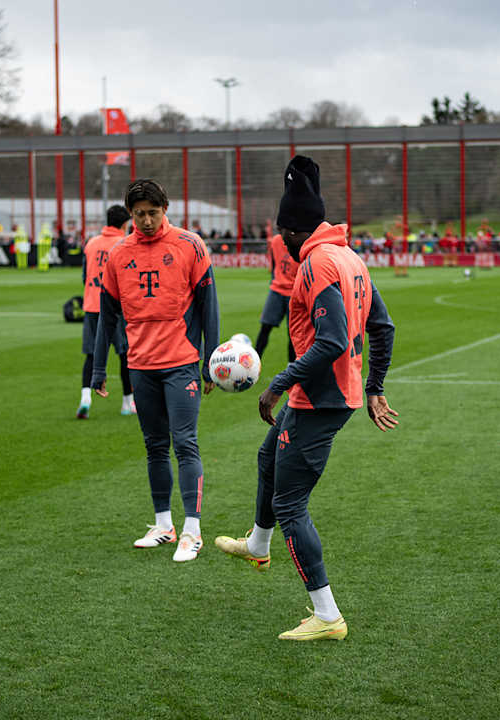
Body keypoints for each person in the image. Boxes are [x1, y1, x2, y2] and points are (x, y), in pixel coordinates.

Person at [214, 156, 398, 641]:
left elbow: (334, 339)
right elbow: (383, 326)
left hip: (321, 397)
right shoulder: (350, 256)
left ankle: (328, 615)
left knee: (291, 503)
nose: (284, 245)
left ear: (294, 232)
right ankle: (257, 543)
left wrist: (279, 380)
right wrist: (375, 386)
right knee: (268, 455)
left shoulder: (317, 263)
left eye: (285, 236)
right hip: (327, 392)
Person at [92, 179, 219, 563]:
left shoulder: (190, 245)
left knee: (185, 444)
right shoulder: (117, 255)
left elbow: (209, 306)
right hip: (140, 366)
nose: (146, 221)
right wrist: (99, 369)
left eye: (153, 213)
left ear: (166, 209)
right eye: (139, 214)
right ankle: (163, 525)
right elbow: (106, 317)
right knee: (154, 447)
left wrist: (209, 361)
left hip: (180, 364)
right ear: (130, 215)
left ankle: (192, 532)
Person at [78, 205, 134, 418]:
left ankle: (85, 398)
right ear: (124, 223)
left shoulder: (92, 243)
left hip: (92, 305)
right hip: (117, 308)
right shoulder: (124, 244)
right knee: (125, 355)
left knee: (91, 354)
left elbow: (85, 276)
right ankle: (127, 403)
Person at [254, 229, 298, 364]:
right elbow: (273, 267)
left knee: (293, 334)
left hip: (295, 294)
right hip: (277, 290)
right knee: (265, 328)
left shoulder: (301, 241)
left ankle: (292, 368)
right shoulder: (275, 241)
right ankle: (253, 363)